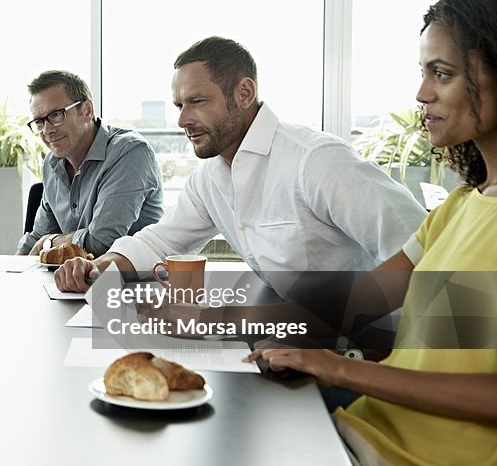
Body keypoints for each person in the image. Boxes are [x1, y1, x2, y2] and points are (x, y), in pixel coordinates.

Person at [249, 0, 497, 466]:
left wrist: (338, 366)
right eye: (424, 73)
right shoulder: (462, 207)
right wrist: (221, 317)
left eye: (442, 74)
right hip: (369, 438)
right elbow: (364, 300)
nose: (421, 94)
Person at [55, 37, 427, 294]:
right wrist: (105, 264)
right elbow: (163, 238)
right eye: (178, 105)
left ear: (244, 94)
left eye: (197, 101)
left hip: (360, 350)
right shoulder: (211, 178)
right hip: (292, 337)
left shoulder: (315, 160)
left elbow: (424, 247)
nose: (183, 119)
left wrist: (354, 332)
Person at [16, 70, 163, 257]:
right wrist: (11, 277)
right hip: (68, 281)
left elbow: (101, 242)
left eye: (56, 115)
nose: (47, 130)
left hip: (126, 282)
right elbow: (36, 238)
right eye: (39, 121)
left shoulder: (129, 153)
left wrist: (51, 241)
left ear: (87, 110)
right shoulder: (52, 163)